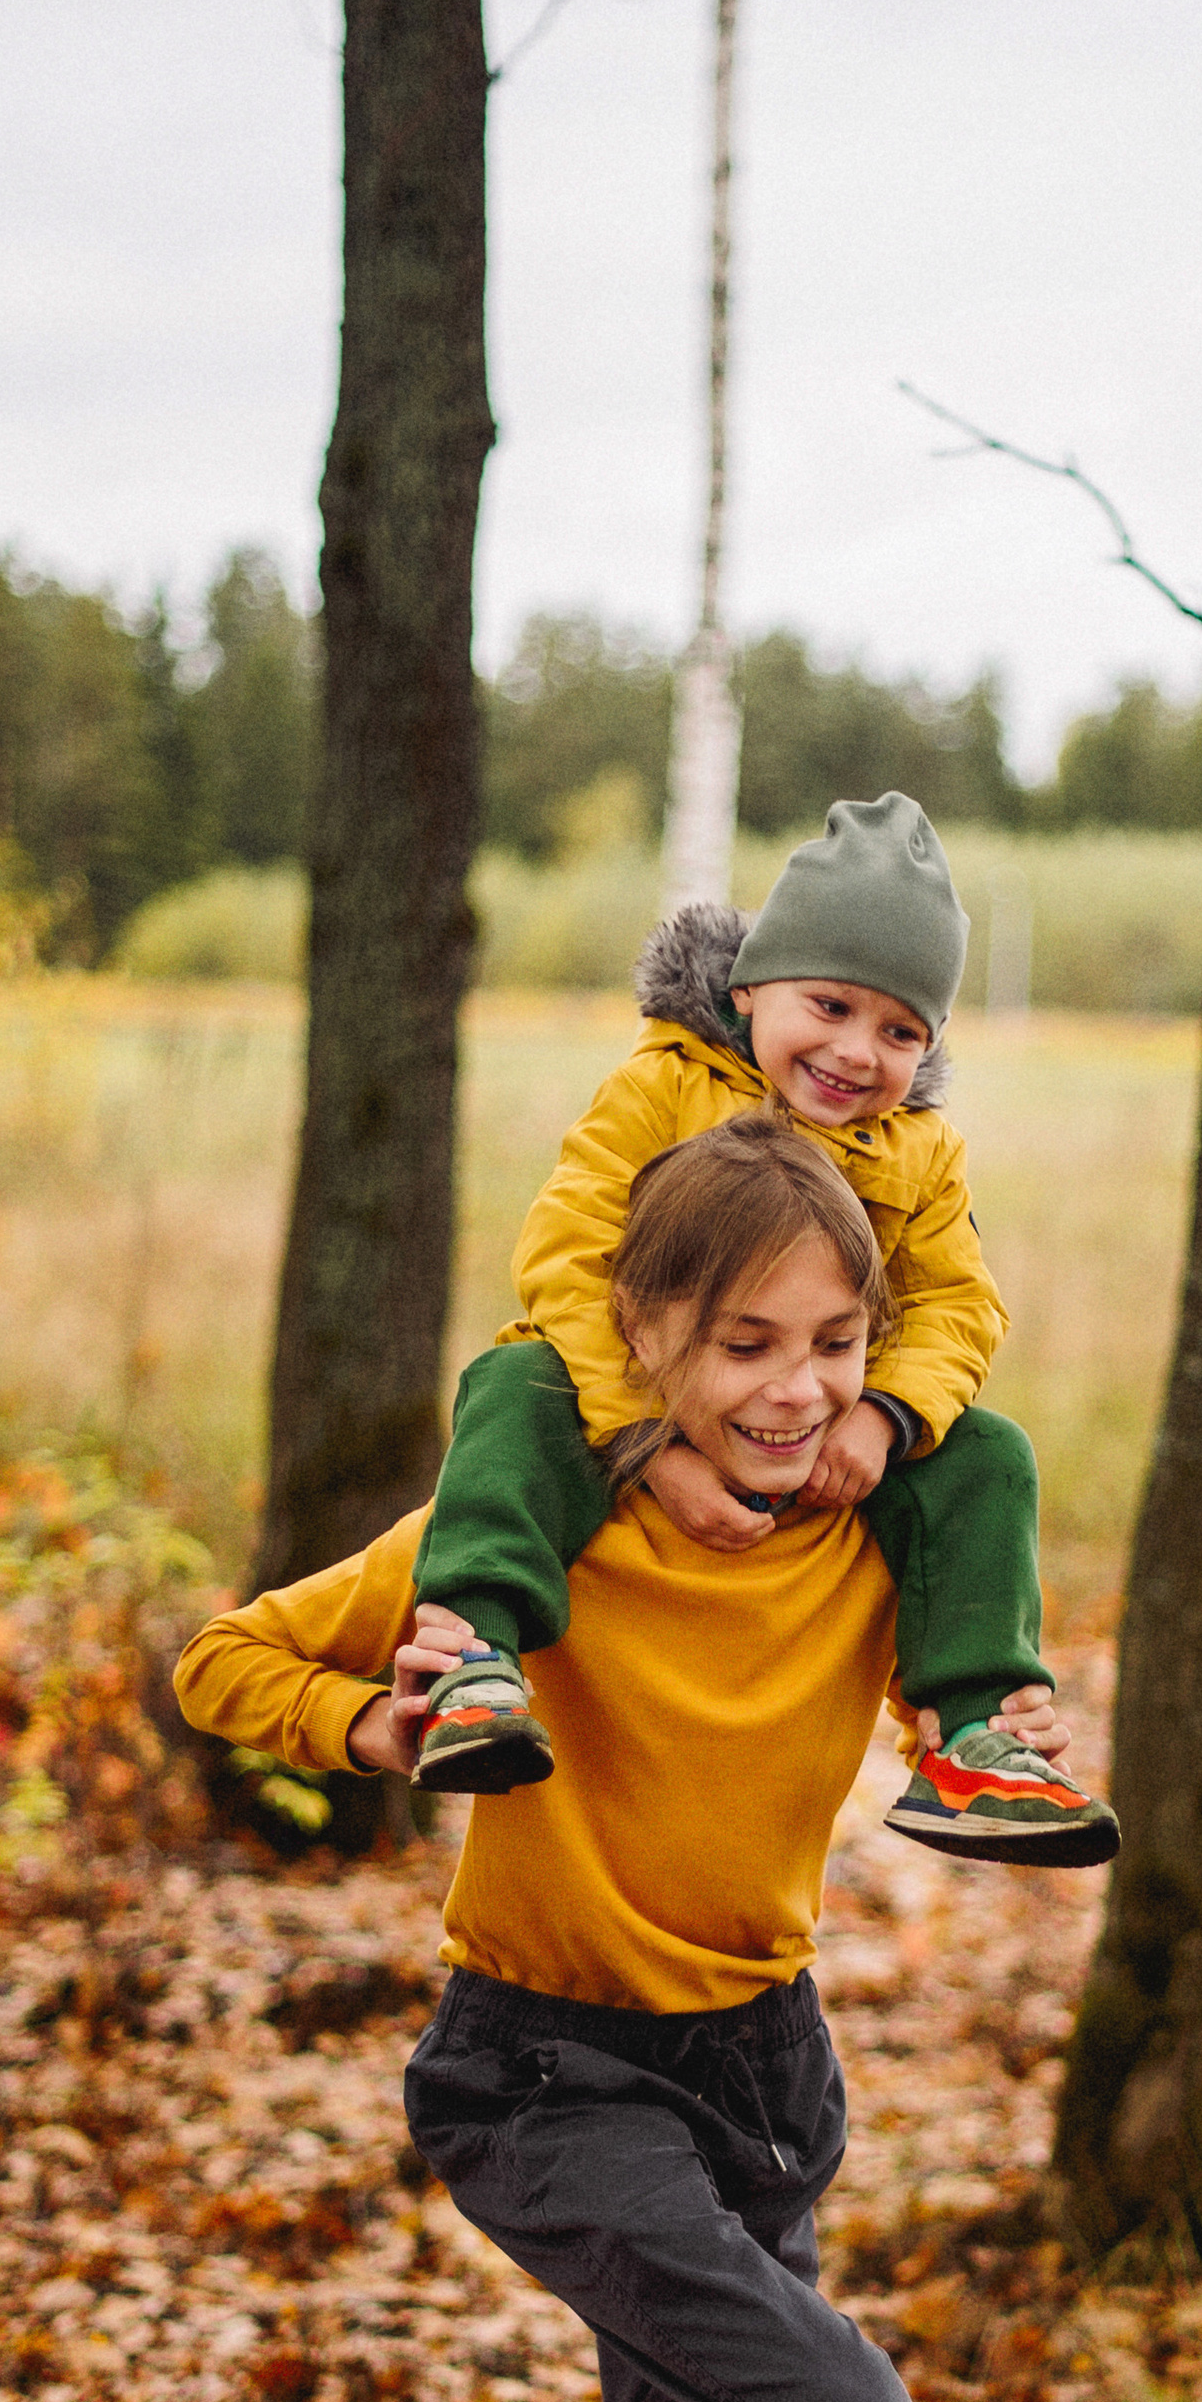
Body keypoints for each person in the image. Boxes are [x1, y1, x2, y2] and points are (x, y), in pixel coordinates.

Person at [173, 1114, 1087, 2402]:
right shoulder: (537, 1525)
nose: (794, 1389)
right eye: (746, 1342)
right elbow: (227, 1661)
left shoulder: (870, 1533)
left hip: (761, 2088)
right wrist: (390, 1736)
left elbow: (955, 1471)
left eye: (834, 1340)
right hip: (546, 2081)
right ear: (647, 1339)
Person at [406, 788, 1117, 1869]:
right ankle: (471, 1658)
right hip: (636, 1401)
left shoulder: (917, 1153)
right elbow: (567, 1252)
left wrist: (883, 1415)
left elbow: (957, 1305)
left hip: (815, 1423)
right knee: (512, 1388)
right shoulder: (662, 1090)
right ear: (747, 991)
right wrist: (650, 1440)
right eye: (828, 1005)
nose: (855, 1051)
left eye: (898, 1030)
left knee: (986, 1456)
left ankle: (973, 1733)